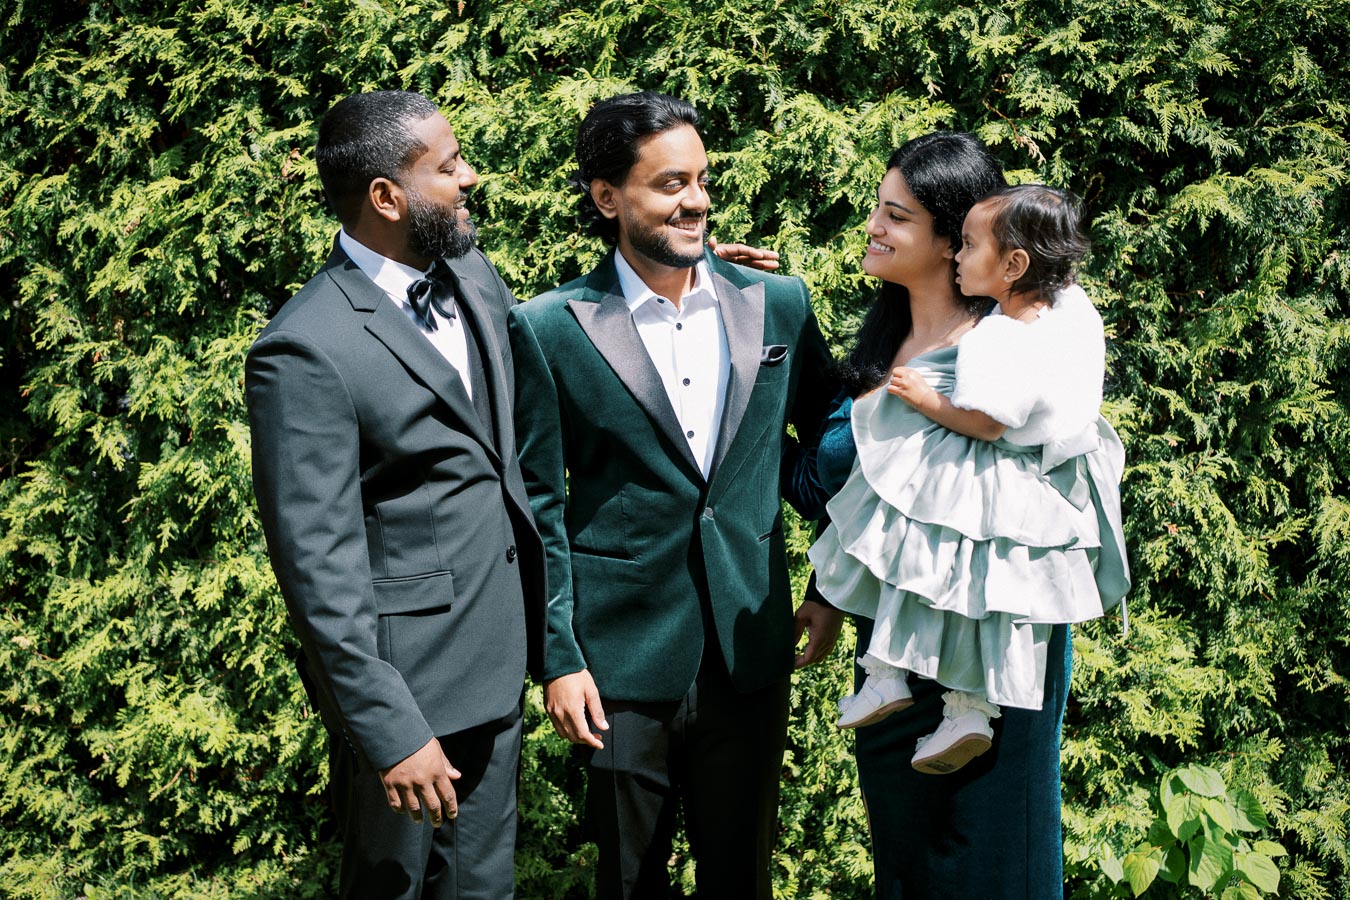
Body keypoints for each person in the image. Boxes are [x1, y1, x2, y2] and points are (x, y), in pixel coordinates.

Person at [507, 91, 842, 899]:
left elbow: (840, 445)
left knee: (742, 881)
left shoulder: (778, 304)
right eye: (669, 184)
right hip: (617, 665)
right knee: (628, 884)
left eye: (700, 180)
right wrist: (557, 658)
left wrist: (833, 586)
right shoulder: (550, 327)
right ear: (607, 197)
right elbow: (537, 505)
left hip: (749, 646)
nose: (695, 200)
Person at [784, 132, 1118, 898]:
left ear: (953, 240)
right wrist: (830, 592)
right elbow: (863, 494)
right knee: (906, 850)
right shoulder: (882, 346)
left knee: (994, 847)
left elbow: (1042, 493)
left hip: (995, 632)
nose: (872, 225)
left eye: (895, 215)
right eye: (878, 208)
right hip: (892, 640)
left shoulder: (1009, 352)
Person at [245, 90, 547, 899]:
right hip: (407, 701)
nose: (470, 178)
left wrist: (689, 277)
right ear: (386, 197)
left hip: (496, 673)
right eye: (448, 168)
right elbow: (317, 567)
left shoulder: (473, 274)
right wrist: (389, 730)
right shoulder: (305, 349)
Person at [808, 182, 1130, 775]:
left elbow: (982, 422)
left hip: (987, 467)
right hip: (1045, 485)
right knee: (990, 606)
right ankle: (969, 710)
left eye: (969, 244)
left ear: (1013, 265)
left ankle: (885, 672)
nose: (957, 255)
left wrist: (928, 399)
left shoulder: (997, 338)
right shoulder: (1073, 311)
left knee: (909, 554)